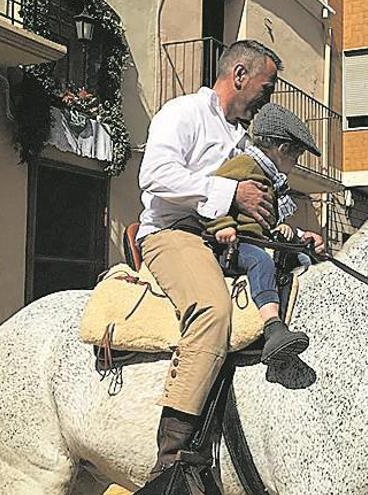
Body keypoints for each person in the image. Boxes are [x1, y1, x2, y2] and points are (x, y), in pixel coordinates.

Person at [136, 40, 319, 478]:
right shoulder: (182, 113)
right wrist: (230, 191)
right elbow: (154, 176)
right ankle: (173, 456)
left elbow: (255, 217)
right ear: (239, 75)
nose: (269, 97)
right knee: (213, 311)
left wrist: (294, 240)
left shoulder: (242, 139)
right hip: (173, 233)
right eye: (267, 86)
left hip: (227, 242)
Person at [206, 102, 326, 369]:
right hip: (236, 247)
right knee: (261, 261)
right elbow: (213, 194)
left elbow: (265, 222)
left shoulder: (269, 179)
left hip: (257, 240)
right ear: (283, 149)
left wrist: (295, 235)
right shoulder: (244, 165)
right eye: (295, 157)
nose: (295, 164)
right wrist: (224, 225)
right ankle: (272, 325)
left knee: (298, 258)